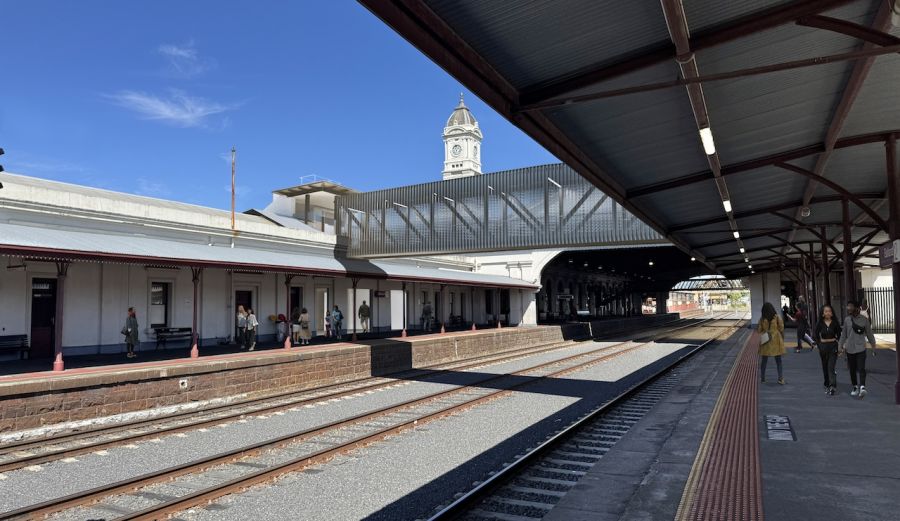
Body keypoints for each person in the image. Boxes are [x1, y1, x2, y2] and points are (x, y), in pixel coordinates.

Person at [838, 300, 877, 398]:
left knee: (861, 368)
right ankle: (855, 387)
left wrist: (873, 346)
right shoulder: (847, 320)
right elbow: (843, 335)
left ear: (856, 307)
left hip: (861, 348)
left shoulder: (864, 320)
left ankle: (862, 387)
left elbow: (869, 334)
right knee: (852, 369)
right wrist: (840, 346)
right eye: (848, 306)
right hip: (850, 349)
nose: (848, 308)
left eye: (850, 306)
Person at [814, 305, 841, 396]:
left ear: (832, 313)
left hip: (833, 347)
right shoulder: (820, 323)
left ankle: (832, 385)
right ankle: (827, 383)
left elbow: (839, 335)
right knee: (825, 367)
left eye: (829, 311)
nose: (828, 313)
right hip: (823, 348)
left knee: (831, 367)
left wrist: (839, 345)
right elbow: (815, 335)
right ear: (823, 313)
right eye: (826, 311)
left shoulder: (835, 323)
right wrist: (819, 344)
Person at [757, 302, 785, 385]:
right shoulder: (777, 317)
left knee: (764, 361)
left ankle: (763, 379)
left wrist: (765, 330)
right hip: (776, 340)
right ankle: (780, 378)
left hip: (766, 339)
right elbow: (781, 328)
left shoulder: (762, 319)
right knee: (778, 361)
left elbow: (759, 330)